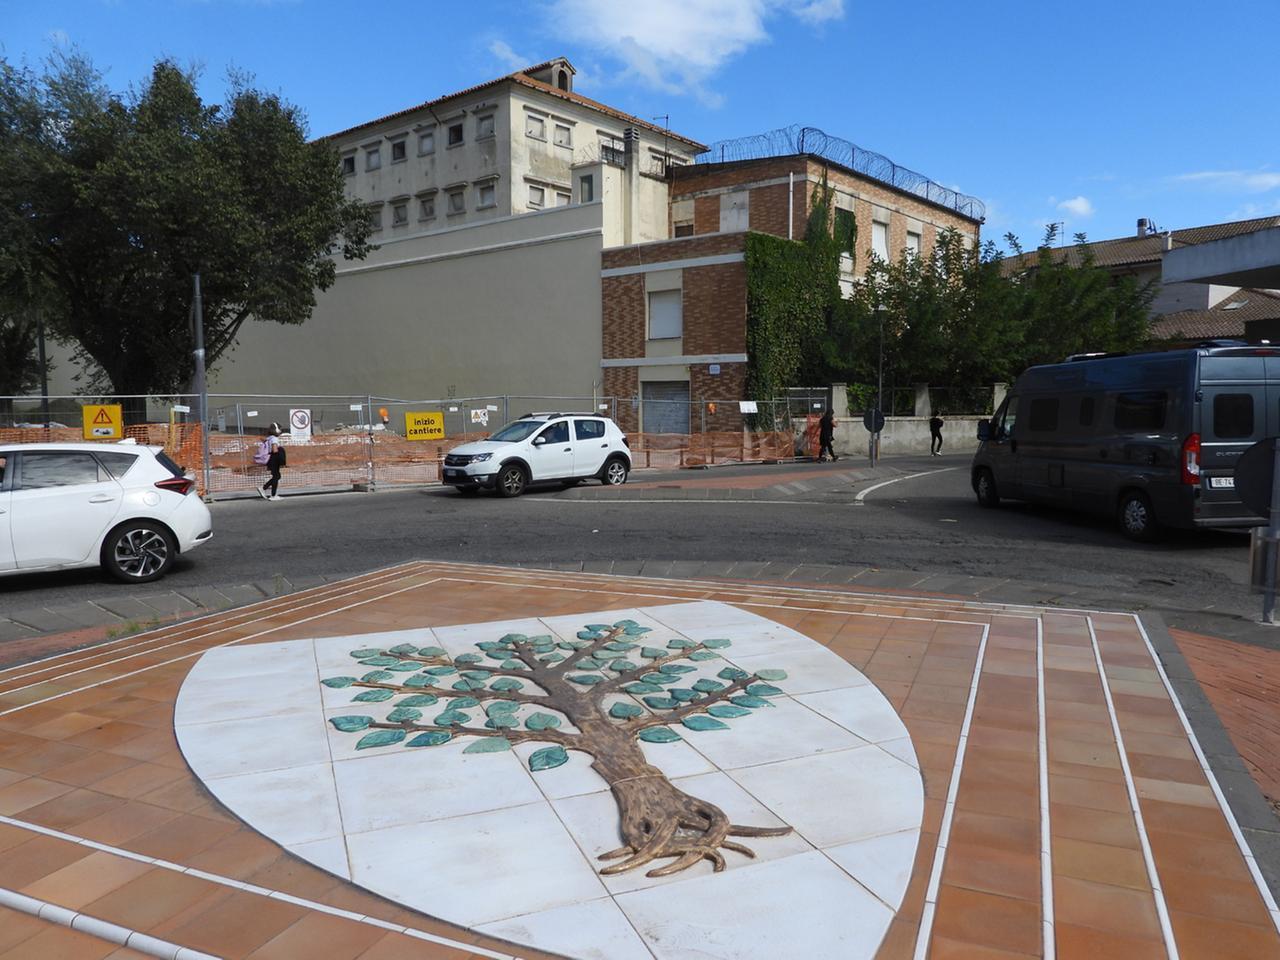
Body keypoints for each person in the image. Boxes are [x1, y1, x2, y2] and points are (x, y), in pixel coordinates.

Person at [259, 422, 286, 500]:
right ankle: (268, 492)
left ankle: (270, 492)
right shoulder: (274, 439)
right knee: (276, 476)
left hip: (271, 459)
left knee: (276, 476)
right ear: (276, 430)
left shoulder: (269, 438)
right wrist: (280, 453)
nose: (281, 431)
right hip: (274, 458)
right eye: (280, 429)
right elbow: (274, 450)